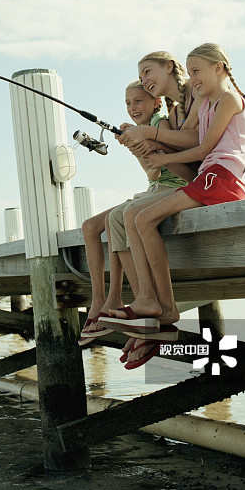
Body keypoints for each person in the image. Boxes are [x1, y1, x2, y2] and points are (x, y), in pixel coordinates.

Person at [105, 43, 245, 369]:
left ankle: (161, 307)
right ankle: (150, 305)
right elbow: (179, 152)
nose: (193, 78)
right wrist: (146, 145)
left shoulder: (224, 99)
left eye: (197, 71)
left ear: (218, 67)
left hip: (220, 178)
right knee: (137, 218)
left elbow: (202, 146)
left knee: (141, 219)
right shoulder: (198, 105)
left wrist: (157, 148)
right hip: (207, 176)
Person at [79, 77, 191, 346]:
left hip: (172, 188)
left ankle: (137, 301)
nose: (132, 107)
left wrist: (142, 142)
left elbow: (162, 171)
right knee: (92, 225)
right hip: (154, 189)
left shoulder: (159, 124)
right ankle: (110, 299)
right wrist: (135, 148)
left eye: (138, 101)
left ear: (156, 102)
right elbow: (152, 173)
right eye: (128, 103)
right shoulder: (144, 129)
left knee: (118, 217)